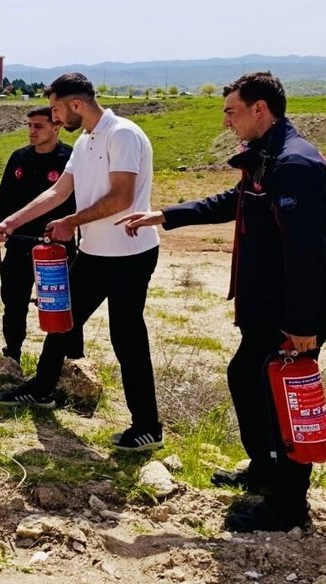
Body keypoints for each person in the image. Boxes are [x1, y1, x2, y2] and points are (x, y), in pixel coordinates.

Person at [116, 71, 326, 532]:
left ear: (260, 109)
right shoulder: (266, 159)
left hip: (287, 312)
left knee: (278, 397)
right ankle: (264, 470)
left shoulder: (296, 165)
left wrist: (303, 324)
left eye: (231, 111)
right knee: (248, 378)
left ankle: (287, 504)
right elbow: (234, 200)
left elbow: (309, 254)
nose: (227, 121)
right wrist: (167, 215)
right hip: (264, 306)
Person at [0, 72, 162, 452]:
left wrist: (71, 222)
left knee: (126, 338)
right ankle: (42, 389)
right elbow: (59, 191)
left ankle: (147, 427)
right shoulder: (86, 141)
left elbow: (122, 198)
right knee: (60, 320)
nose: (55, 117)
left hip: (129, 254)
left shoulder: (122, 134)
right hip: (96, 253)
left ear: (77, 104)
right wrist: (10, 222)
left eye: (58, 109)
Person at [0, 106, 84, 366]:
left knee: (60, 306)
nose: (32, 131)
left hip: (56, 248)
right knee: (13, 302)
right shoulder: (19, 159)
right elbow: (4, 200)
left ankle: (71, 361)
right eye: (29, 125)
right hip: (19, 245)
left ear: (56, 127)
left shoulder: (69, 160)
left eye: (38, 126)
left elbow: (79, 202)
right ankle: (13, 355)